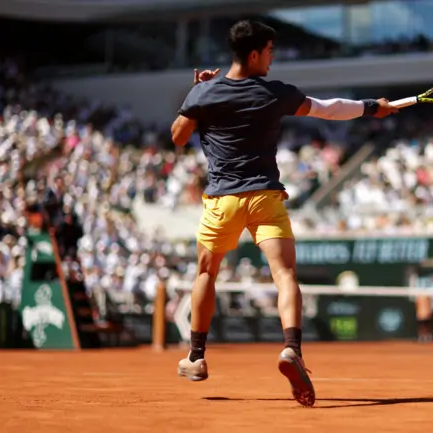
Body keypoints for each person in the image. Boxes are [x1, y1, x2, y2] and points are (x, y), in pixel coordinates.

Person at [170, 19, 398, 407]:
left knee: (207, 272)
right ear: (255, 54)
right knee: (285, 274)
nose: (273, 61)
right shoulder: (274, 93)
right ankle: (292, 348)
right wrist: (371, 108)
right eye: (271, 53)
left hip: (222, 202)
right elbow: (327, 109)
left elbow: (177, 137)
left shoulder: (205, 91)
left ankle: (196, 356)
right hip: (265, 198)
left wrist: (197, 94)